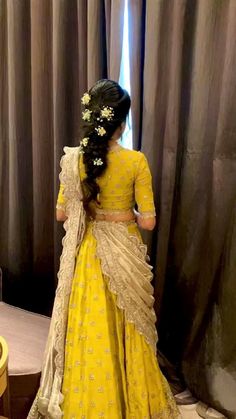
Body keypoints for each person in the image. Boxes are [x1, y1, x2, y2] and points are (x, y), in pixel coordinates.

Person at [28, 79, 180, 418]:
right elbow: (149, 222)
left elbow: (61, 213)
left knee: (90, 326)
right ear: (122, 122)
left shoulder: (73, 162)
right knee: (131, 324)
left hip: (89, 253)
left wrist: (92, 209)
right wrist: (127, 214)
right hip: (124, 249)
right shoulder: (135, 162)